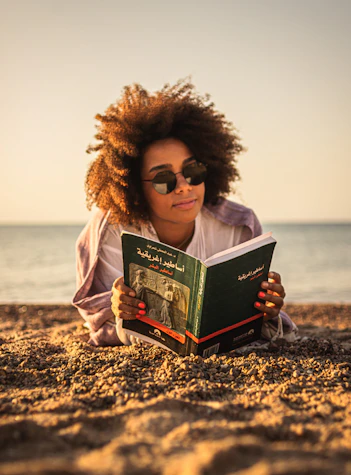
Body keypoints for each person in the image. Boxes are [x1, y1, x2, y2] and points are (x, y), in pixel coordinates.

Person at [73, 80, 298, 347]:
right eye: (163, 179)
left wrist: (266, 307)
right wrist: (117, 306)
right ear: (133, 186)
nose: (183, 187)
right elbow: (102, 317)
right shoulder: (112, 231)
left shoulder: (239, 228)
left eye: (193, 172)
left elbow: (251, 316)